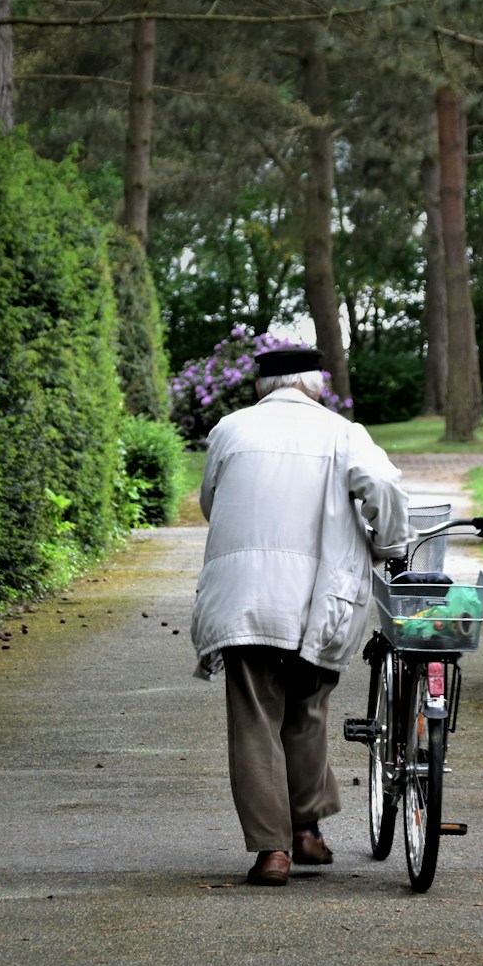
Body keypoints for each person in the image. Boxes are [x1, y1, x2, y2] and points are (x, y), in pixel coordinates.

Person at [190, 346, 411, 886]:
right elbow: (382, 488)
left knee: (255, 720)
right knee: (307, 709)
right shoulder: (343, 433)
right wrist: (390, 543)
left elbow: (210, 502)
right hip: (319, 597)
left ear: (263, 387)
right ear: (315, 386)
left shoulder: (230, 429)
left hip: (245, 598)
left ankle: (273, 853)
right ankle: (305, 832)